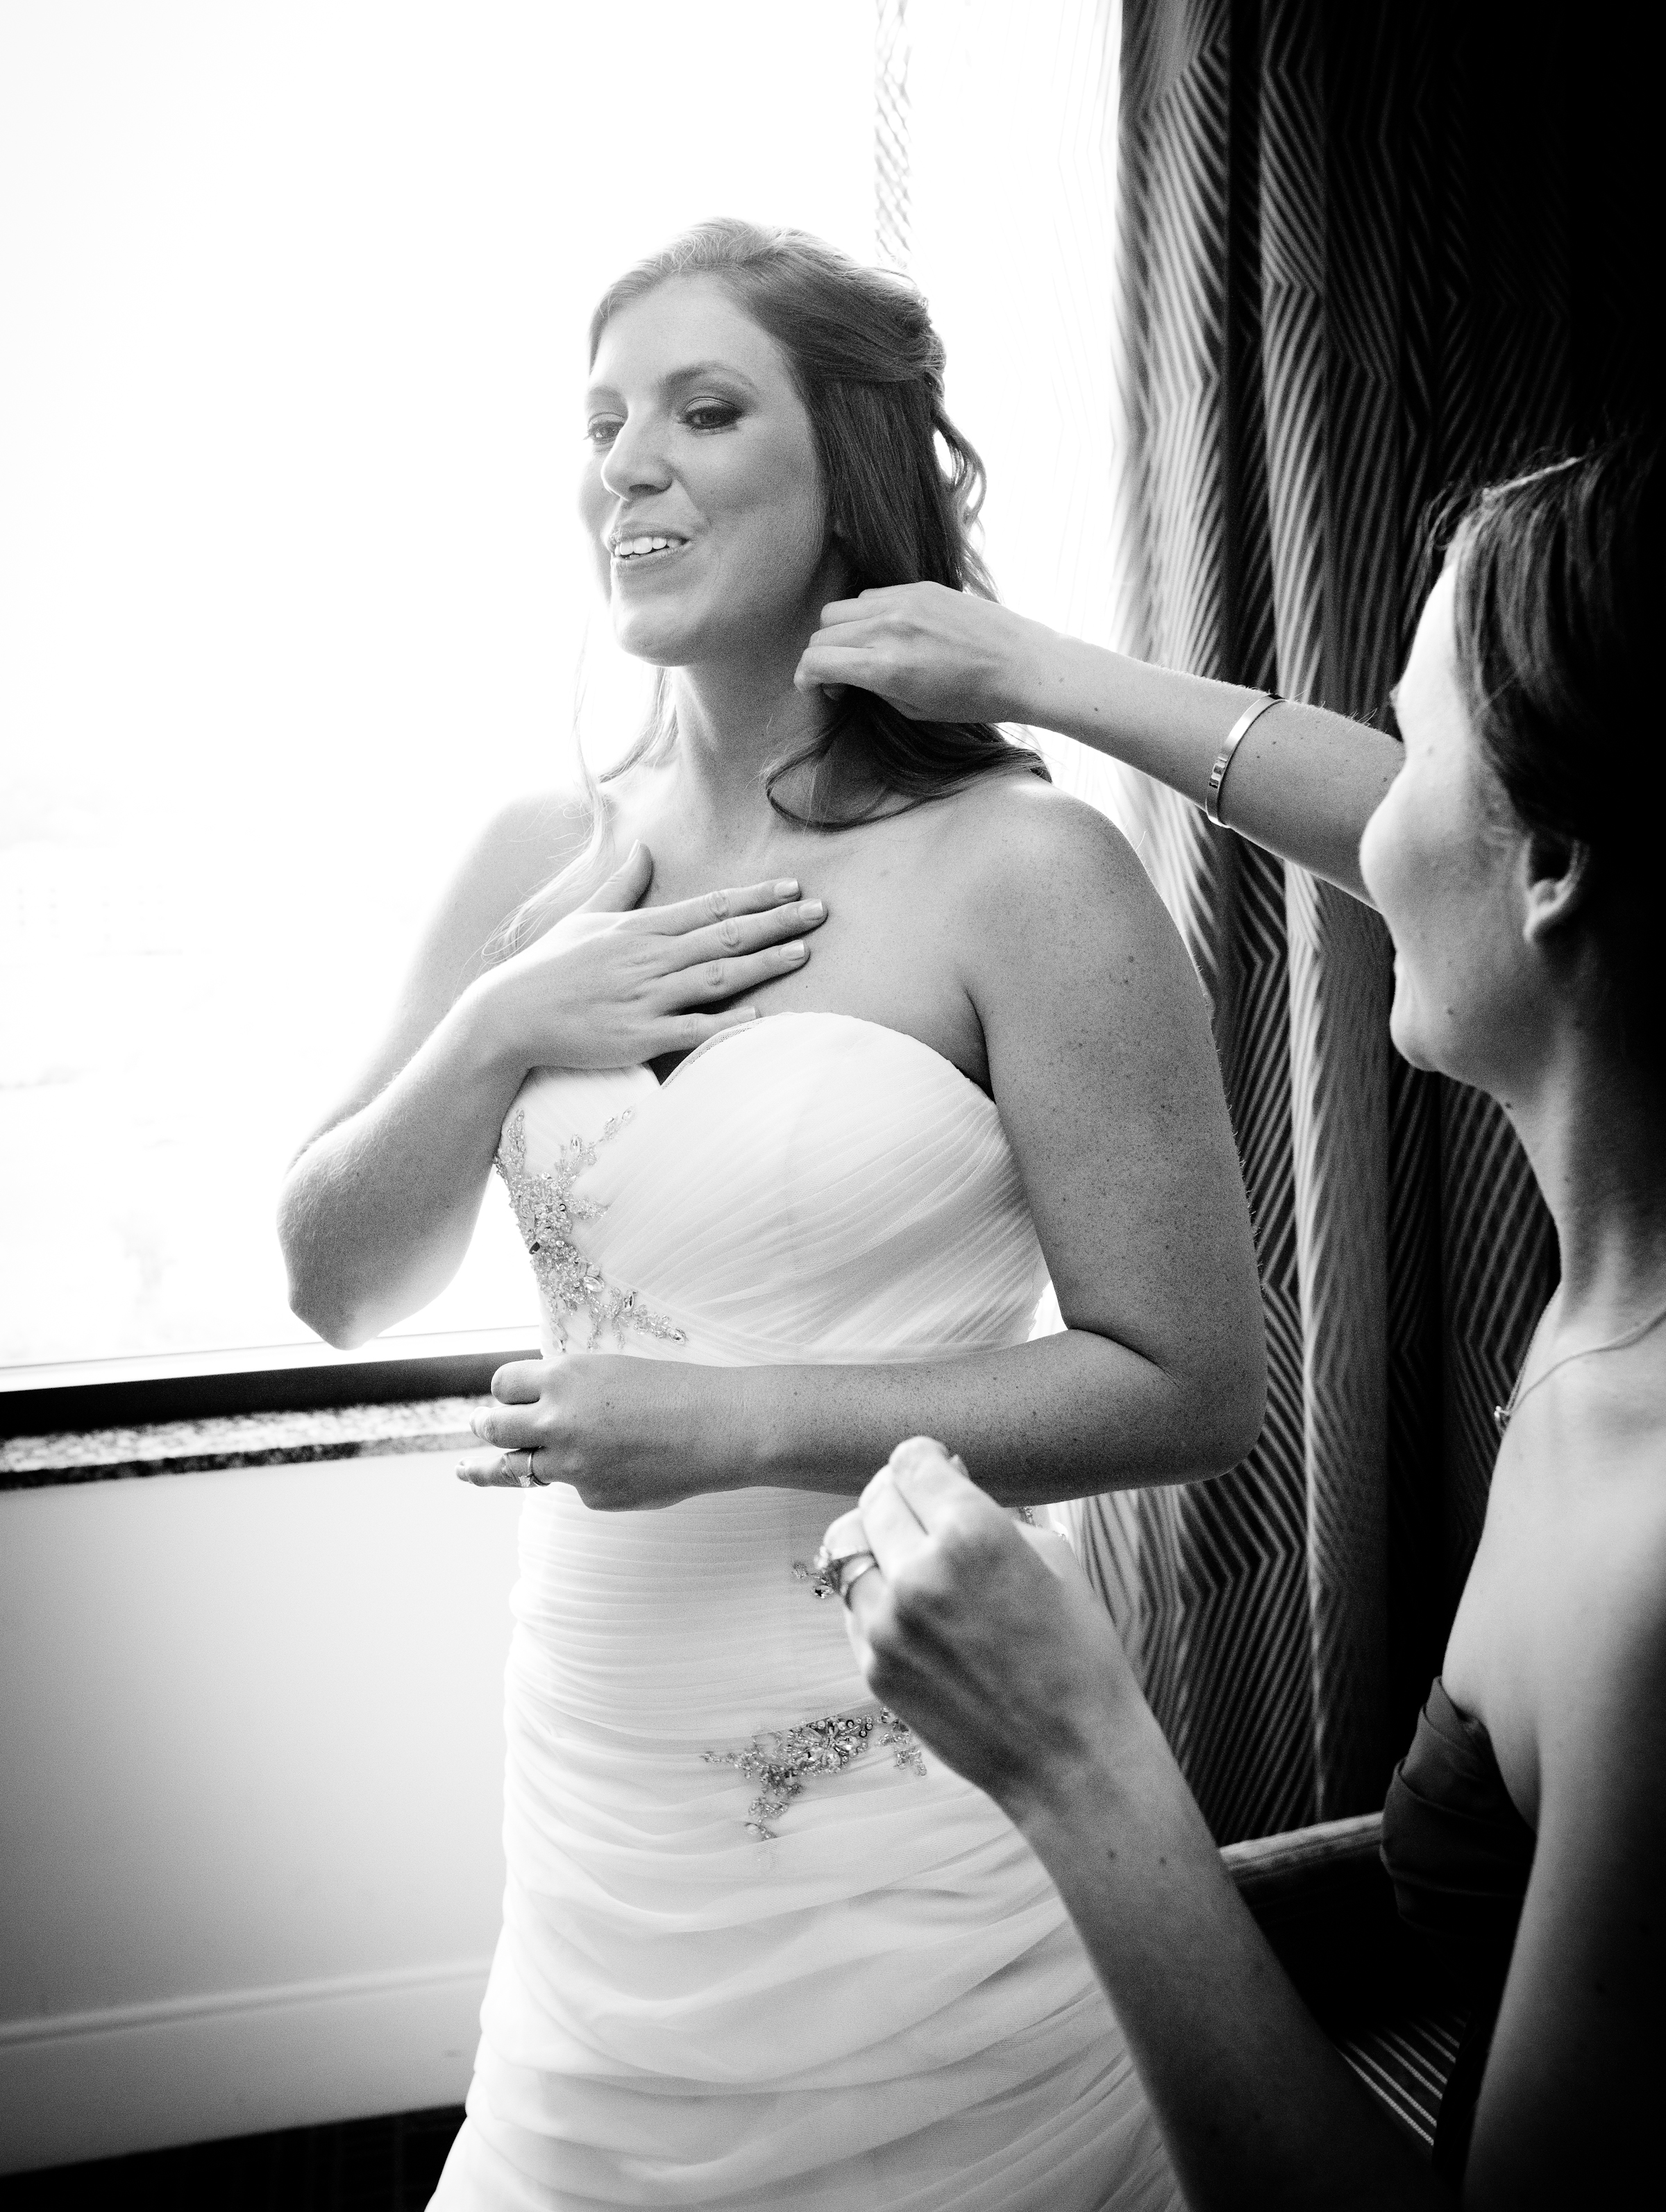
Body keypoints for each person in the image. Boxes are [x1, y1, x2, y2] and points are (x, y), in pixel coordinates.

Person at [277, 221, 1268, 2212]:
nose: (626, 466)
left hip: (914, 1782)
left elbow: (1190, 1386)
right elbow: (332, 1279)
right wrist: (498, 1027)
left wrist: (734, 1424)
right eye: (601, 424)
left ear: (849, 477)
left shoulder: (1027, 872)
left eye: (704, 409)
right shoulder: (535, 863)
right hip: (597, 1797)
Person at [812, 440, 1666, 2207]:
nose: (1373, 818)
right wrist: (1034, 668)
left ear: (1558, 862)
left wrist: (1078, 1759)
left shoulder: (1656, 1565)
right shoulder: (1619, 1306)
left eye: (1411, 745)